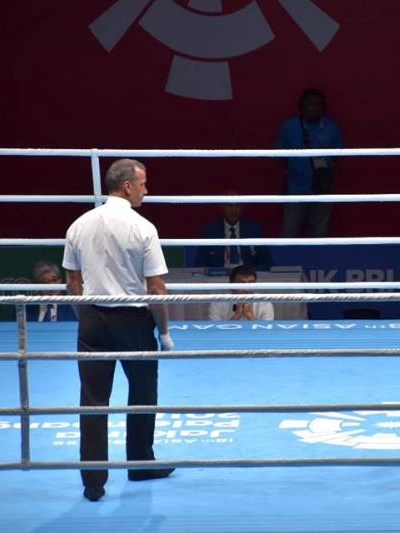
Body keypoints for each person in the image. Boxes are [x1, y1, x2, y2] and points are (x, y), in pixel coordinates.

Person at [62, 158, 174, 502]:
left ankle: (93, 482)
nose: (146, 190)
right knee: (143, 391)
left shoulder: (79, 224)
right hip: (134, 320)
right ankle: (140, 464)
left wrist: (86, 316)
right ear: (127, 186)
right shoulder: (143, 227)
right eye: (142, 184)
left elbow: (72, 283)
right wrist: (164, 332)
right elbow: (156, 289)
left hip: (93, 318)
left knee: (93, 400)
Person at [275, 88, 344, 238]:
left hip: (322, 189)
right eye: (311, 104)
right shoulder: (289, 127)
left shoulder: (331, 128)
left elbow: (339, 155)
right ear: (302, 106)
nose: (315, 108)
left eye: (319, 104)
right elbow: (279, 153)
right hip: (296, 189)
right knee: (289, 232)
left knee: (319, 234)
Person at [194, 189, 273, 270]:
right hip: (220, 274)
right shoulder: (210, 230)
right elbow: (200, 263)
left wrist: (252, 272)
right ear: (221, 207)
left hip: (245, 274)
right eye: (229, 206)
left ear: (242, 207)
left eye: (238, 205)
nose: (234, 210)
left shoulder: (253, 229)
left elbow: (268, 262)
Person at [208, 265, 274, 321]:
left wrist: (249, 315)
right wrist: (236, 316)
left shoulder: (265, 302)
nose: (247, 290)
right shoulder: (218, 302)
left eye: (251, 284)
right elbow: (214, 331)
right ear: (231, 285)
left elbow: (267, 331)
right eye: (241, 284)